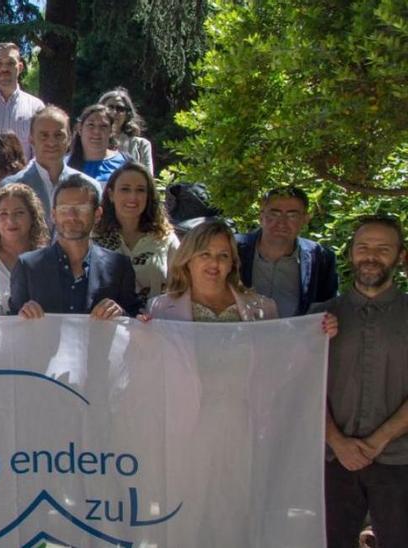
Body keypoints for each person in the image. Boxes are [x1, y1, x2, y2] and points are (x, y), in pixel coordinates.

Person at [312, 215, 408, 548]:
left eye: (383, 249)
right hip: (331, 461)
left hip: (399, 459)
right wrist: (337, 442)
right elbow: (303, 389)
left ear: (400, 256)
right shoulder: (319, 317)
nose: (371, 256)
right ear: (351, 252)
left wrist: (377, 441)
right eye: (363, 247)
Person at [8, 177, 140, 318]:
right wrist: (21, 316)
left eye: (81, 209)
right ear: (53, 215)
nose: (72, 216)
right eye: (64, 209)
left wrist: (120, 313)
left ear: (97, 214)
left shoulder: (120, 267)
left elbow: (133, 321)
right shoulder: (27, 266)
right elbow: (11, 323)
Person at [235, 186, 338, 318]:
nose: (282, 222)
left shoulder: (320, 258)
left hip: (294, 337)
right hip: (240, 336)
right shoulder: (234, 249)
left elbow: (328, 309)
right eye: (274, 214)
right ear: (261, 216)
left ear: (305, 219)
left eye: (292, 215)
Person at [146, 220, 277, 321]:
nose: (214, 263)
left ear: (232, 262)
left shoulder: (264, 308)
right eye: (205, 254)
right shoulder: (158, 309)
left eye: (223, 255)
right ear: (187, 260)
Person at [93, 163, 180, 303]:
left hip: (155, 321)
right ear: (111, 194)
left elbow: (181, 287)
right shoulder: (93, 238)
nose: (133, 197)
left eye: (140, 190)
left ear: (148, 196)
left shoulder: (165, 238)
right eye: (125, 189)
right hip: (106, 322)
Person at [0, 106, 98, 227]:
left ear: (69, 139)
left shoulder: (89, 186)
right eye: (44, 135)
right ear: (31, 139)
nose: (51, 142)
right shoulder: (11, 187)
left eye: (58, 135)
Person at [0, 183, 49, 314]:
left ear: (32, 216)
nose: (10, 220)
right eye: (3, 214)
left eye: (19, 213)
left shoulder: (47, 260)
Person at [98, 87, 153, 174]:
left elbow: (148, 179)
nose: (114, 112)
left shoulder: (141, 145)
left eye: (120, 109)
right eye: (110, 107)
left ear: (127, 114)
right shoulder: (93, 142)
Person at [67, 104, 127, 182]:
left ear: (111, 131)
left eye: (103, 126)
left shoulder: (124, 163)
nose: (97, 131)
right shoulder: (64, 164)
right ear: (80, 128)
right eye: (91, 125)